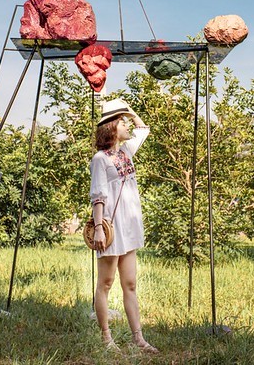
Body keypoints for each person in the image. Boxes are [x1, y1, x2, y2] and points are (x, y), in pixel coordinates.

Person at [89, 98, 158, 353]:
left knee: (129, 284)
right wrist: (98, 227)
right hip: (110, 228)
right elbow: (98, 194)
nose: (127, 124)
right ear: (112, 127)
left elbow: (143, 129)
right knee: (105, 284)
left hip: (129, 227)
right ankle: (106, 338)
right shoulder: (100, 159)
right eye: (122, 121)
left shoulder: (126, 152)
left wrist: (127, 110)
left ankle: (138, 338)